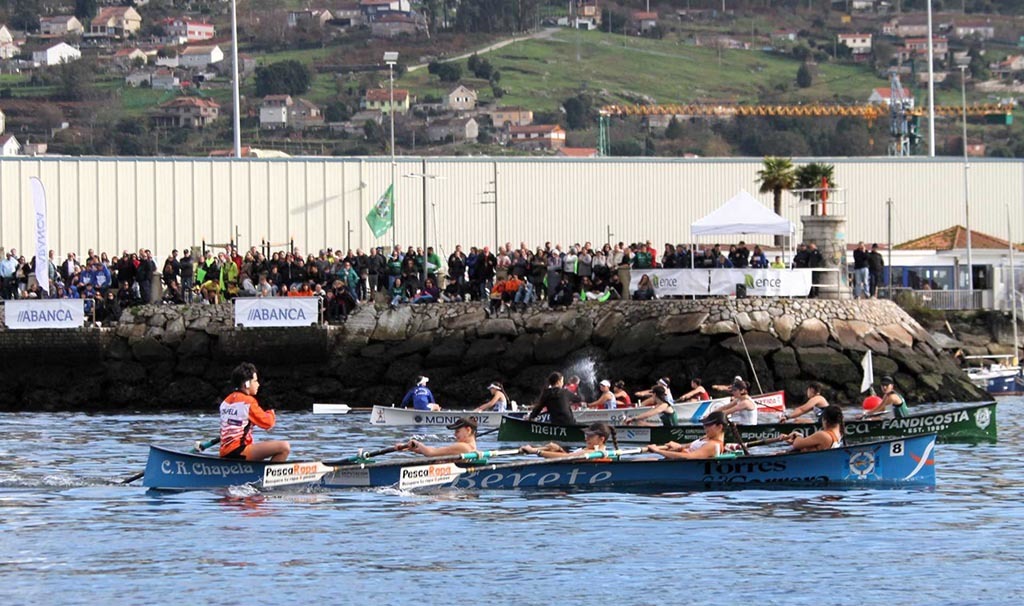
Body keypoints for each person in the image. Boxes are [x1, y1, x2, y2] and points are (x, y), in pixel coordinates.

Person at [218, 362, 291, 461]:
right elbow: (268, 424)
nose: (258, 384)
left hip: (225, 451)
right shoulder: (248, 402)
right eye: (255, 381)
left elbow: (238, 422)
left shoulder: (225, 402)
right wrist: (271, 410)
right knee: (284, 447)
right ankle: (267, 476)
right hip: (239, 451)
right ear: (246, 384)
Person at [646, 411, 727, 459]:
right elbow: (687, 446)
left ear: (719, 427)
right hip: (671, 461)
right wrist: (678, 446)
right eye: (704, 425)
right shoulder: (707, 437)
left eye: (708, 425)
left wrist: (658, 451)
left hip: (677, 465)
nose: (704, 427)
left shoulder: (713, 445)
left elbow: (689, 457)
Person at [520, 422, 619, 459]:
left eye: (590, 436)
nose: (586, 438)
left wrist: (536, 451)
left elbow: (567, 457)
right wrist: (558, 449)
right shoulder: (591, 450)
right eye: (586, 435)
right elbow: (569, 457)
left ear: (601, 439)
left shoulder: (593, 452)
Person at [400, 417, 478, 457]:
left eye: (457, 431)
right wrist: (411, 449)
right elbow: (436, 450)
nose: (455, 435)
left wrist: (416, 443)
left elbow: (430, 453)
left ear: (468, 430)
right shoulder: (472, 447)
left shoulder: (462, 446)